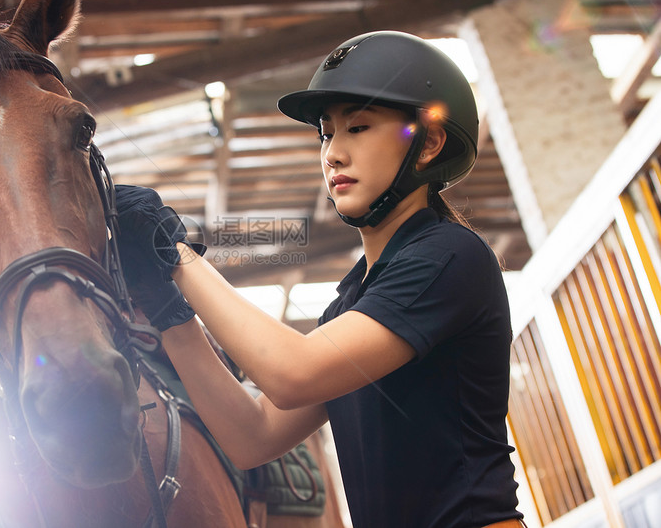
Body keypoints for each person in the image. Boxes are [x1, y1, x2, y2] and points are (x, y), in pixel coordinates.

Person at [113, 31, 524, 528]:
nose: (332, 154)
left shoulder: (448, 256)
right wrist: (169, 312)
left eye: (360, 127)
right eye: (327, 133)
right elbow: (253, 437)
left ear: (429, 143)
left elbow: (293, 373)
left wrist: (175, 257)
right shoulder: (353, 303)